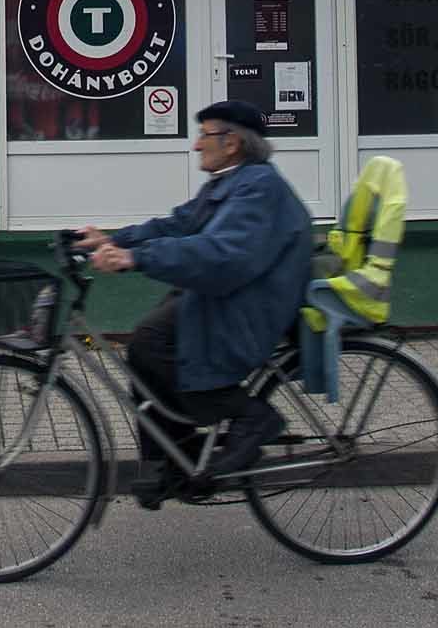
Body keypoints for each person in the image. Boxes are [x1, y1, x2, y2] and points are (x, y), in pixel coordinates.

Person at [77, 100, 311, 509]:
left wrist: (136, 258)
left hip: (251, 307)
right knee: (145, 345)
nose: (196, 145)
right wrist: (114, 240)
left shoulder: (259, 187)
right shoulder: (230, 182)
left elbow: (221, 254)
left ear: (232, 142)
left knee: (157, 344)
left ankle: (253, 418)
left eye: (204, 135)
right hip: (230, 297)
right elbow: (178, 224)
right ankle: (174, 460)